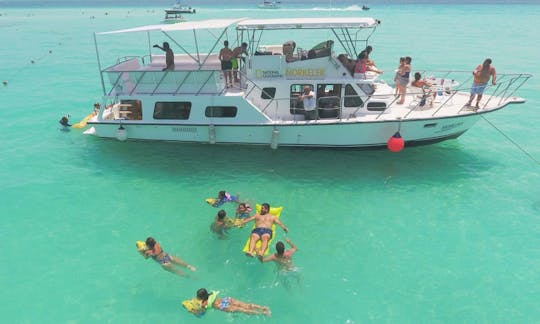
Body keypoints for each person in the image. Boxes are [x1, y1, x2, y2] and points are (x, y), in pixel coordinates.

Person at [191, 288, 271, 316]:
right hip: (226, 299)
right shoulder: (211, 294)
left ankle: (263, 313)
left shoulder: (204, 303)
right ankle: (263, 308)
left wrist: (195, 311)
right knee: (246, 305)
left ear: (201, 297)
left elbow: (201, 311)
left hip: (222, 306)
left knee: (243, 310)